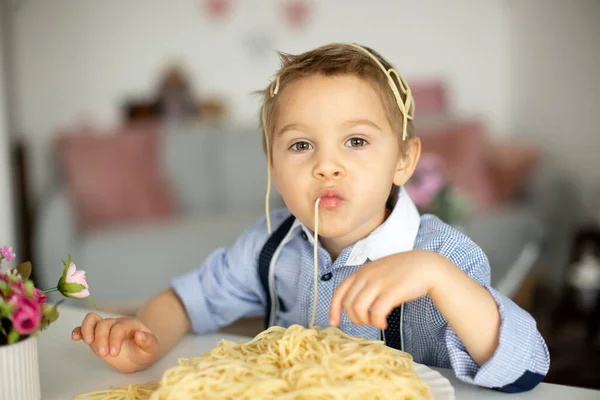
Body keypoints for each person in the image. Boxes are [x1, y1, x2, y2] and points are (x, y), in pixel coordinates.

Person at [72, 43, 550, 392]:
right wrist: (147, 336)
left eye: (356, 141)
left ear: (404, 160)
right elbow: (185, 300)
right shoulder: (270, 245)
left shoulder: (443, 257)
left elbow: (527, 367)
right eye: (301, 146)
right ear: (273, 165)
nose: (327, 165)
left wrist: (438, 278)